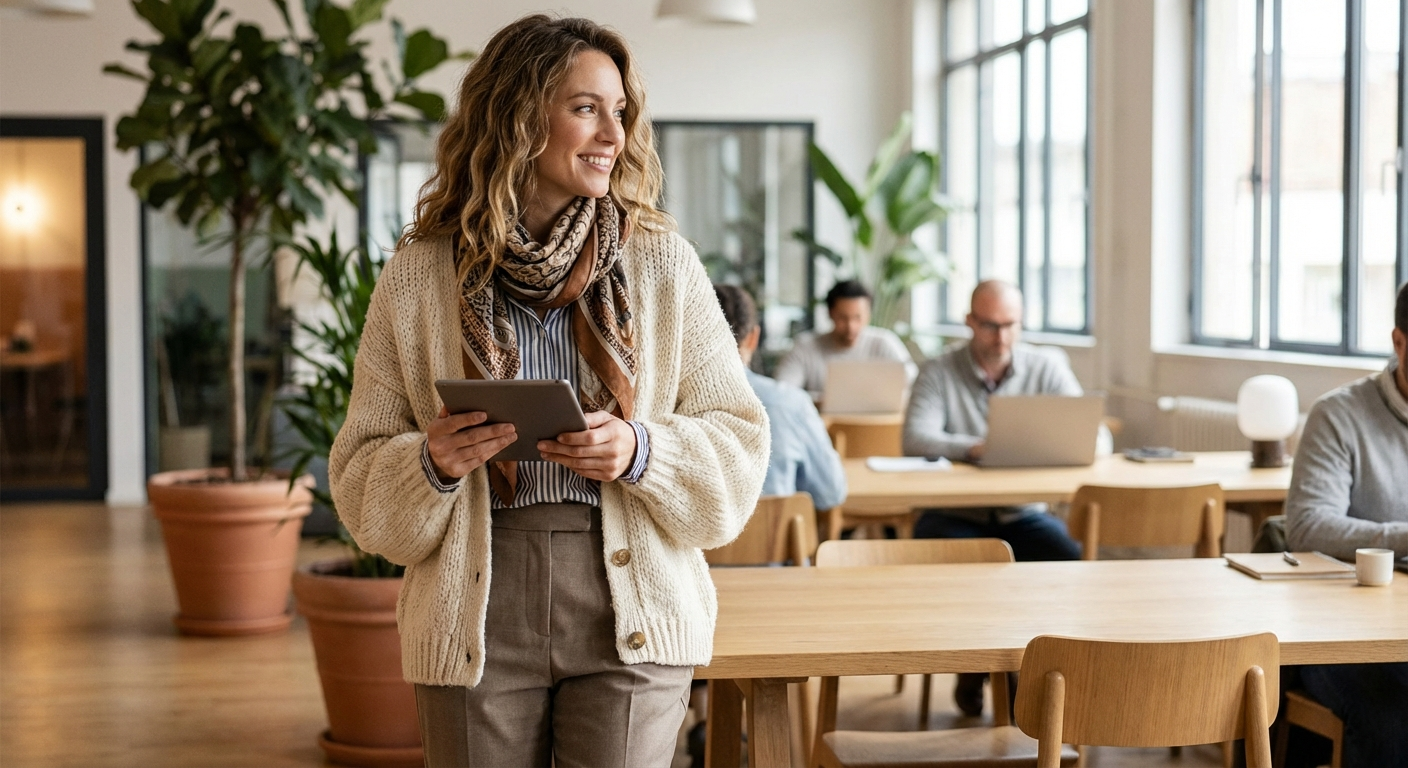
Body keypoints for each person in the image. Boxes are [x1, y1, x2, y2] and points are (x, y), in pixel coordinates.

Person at [328, 16, 769, 767]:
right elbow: (359, 475)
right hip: (475, 605)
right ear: (518, 114)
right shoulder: (419, 274)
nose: (613, 135)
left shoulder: (662, 263)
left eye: (620, 111)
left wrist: (640, 450)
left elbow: (739, 442)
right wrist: (430, 460)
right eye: (586, 108)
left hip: (634, 604)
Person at [901, 279, 1083, 717]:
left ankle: (1037, 670)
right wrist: (975, 448)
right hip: (954, 514)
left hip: (1023, 513)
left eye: (1009, 325)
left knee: (1068, 559)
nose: (1000, 337)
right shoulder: (939, 370)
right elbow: (915, 438)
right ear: (969, 322)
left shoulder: (1048, 366)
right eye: (988, 326)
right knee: (971, 568)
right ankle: (977, 667)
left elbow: (1090, 431)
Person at [1284, 281, 1408, 767]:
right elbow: (1308, 526)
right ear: (1399, 342)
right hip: (1342, 632)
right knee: (1396, 710)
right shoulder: (1339, 415)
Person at [715, 284, 847, 510]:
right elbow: (831, 493)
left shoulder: (657, 407)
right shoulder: (792, 404)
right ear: (753, 337)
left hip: (697, 545)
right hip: (774, 541)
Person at [774, 279, 917, 400]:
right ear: (830, 314)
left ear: (869, 315)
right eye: (843, 318)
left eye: (858, 317)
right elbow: (783, 392)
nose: (851, 327)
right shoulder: (805, 346)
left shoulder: (884, 342)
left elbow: (914, 384)